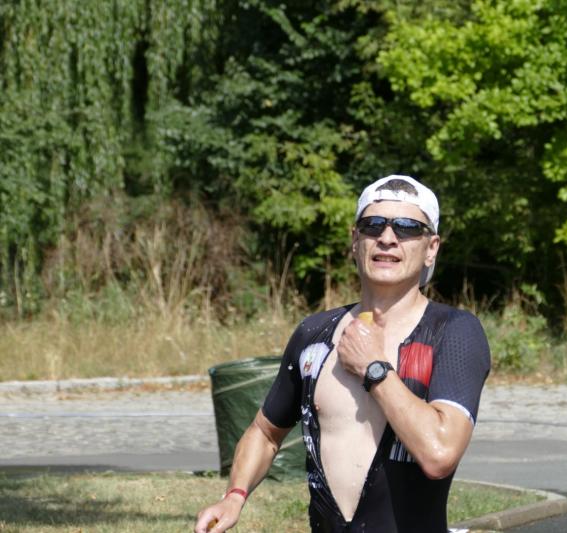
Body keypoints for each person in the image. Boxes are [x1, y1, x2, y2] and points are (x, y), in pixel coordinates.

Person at [194, 175, 491, 533]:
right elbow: (265, 432)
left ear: (431, 248)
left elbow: (439, 453)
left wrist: (375, 369)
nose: (387, 238)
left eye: (407, 228)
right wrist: (234, 496)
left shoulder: (453, 332)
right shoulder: (314, 335)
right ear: (354, 240)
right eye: (373, 225)